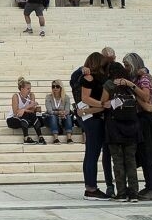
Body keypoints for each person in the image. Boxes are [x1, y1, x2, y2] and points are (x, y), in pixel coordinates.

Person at [123, 52, 152, 201]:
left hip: (145, 120)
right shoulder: (134, 77)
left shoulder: (143, 79)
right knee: (143, 155)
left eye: (127, 65)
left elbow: (145, 96)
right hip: (138, 119)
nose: (126, 67)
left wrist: (131, 86)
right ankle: (149, 186)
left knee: (149, 154)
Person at [102, 61, 142, 202]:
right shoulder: (129, 83)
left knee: (118, 161)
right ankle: (134, 193)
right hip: (131, 126)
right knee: (131, 161)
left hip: (114, 127)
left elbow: (104, 103)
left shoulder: (109, 84)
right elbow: (141, 98)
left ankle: (122, 193)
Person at [78, 51, 111, 200]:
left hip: (95, 117)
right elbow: (85, 98)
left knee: (92, 153)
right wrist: (102, 104)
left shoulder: (94, 76)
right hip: (93, 119)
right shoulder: (89, 77)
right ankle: (91, 188)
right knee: (92, 153)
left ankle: (91, 187)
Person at [6, 78, 45, 144]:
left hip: (26, 119)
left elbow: (32, 111)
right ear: (22, 89)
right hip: (13, 119)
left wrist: (23, 110)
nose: (30, 90)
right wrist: (27, 107)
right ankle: (26, 138)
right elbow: (16, 113)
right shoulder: (16, 96)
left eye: (30, 88)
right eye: (28, 89)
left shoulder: (31, 95)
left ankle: (40, 136)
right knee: (25, 114)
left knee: (31, 115)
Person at [45, 79, 74, 143]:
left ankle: (69, 138)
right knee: (53, 116)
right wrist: (58, 112)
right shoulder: (48, 97)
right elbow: (49, 111)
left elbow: (67, 110)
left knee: (68, 116)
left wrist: (62, 113)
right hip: (51, 118)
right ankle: (56, 138)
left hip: (63, 117)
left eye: (57, 86)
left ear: (61, 87)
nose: (55, 88)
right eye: (53, 86)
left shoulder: (66, 97)